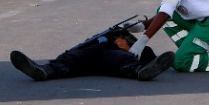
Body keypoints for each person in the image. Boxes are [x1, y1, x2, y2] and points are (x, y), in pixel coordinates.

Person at [9, 35, 176, 82]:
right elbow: (72, 51)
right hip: (89, 56)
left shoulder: (130, 44)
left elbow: (148, 55)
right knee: (69, 60)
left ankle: (142, 73)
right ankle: (43, 71)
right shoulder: (94, 41)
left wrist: (129, 46)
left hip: (111, 57)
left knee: (124, 63)